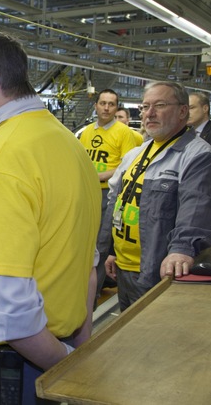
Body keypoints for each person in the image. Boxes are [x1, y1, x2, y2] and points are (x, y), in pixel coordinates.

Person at [0, 30, 101, 404]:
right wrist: (79, 351)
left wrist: (63, 364)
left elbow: (10, 315)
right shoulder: (67, 145)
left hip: (5, 370)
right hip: (52, 351)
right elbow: (85, 269)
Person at [104, 81, 211, 311]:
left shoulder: (196, 154)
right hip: (123, 266)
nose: (150, 113)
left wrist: (181, 249)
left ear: (182, 111)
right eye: (145, 106)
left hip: (156, 270)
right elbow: (118, 202)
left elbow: (196, 206)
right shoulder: (136, 154)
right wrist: (110, 250)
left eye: (160, 105)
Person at [78, 90, 138, 306]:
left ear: (116, 107)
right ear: (95, 105)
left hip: (107, 193)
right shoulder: (86, 132)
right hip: (87, 191)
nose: (106, 107)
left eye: (111, 104)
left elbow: (128, 165)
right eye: (102, 103)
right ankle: (81, 289)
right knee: (84, 242)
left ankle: (92, 296)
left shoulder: (124, 133)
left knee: (101, 244)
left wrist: (101, 175)